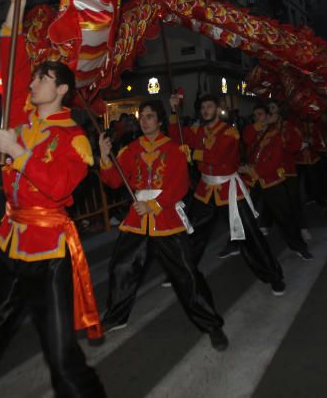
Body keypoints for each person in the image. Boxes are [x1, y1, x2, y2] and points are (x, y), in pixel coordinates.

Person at [0, 0, 105, 398]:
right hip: (8, 244)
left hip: (50, 253)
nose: (32, 82)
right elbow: (12, 63)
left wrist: (19, 152)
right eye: (34, 78)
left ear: (61, 89)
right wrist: (15, 6)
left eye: (41, 79)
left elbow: (58, 187)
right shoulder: (22, 117)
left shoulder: (74, 138)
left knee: (62, 361)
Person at [96, 99, 228, 349]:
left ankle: (212, 325)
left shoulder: (175, 150)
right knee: (122, 267)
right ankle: (116, 316)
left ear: (159, 120)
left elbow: (179, 186)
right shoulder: (130, 149)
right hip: (137, 219)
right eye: (141, 117)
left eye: (149, 116)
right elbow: (114, 181)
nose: (144, 121)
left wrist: (153, 205)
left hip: (166, 219)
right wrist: (104, 157)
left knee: (187, 275)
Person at [169, 93, 286, 295]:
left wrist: (192, 153)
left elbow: (217, 156)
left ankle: (274, 276)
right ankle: (183, 272)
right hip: (205, 190)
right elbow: (177, 136)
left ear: (217, 110)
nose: (205, 110)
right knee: (192, 233)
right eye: (203, 107)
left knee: (250, 235)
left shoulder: (229, 132)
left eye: (209, 106)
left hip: (229, 190)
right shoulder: (197, 129)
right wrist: (174, 111)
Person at [241, 102, 311, 260]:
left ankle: (299, 246)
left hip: (271, 180)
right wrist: (261, 123)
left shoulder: (277, 133)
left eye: (260, 114)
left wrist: (253, 170)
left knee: (285, 216)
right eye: (255, 115)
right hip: (252, 181)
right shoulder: (253, 131)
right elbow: (246, 137)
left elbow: (276, 158)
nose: (257, 118)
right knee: (244, 214)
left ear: (268, 115)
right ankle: (242, 245)